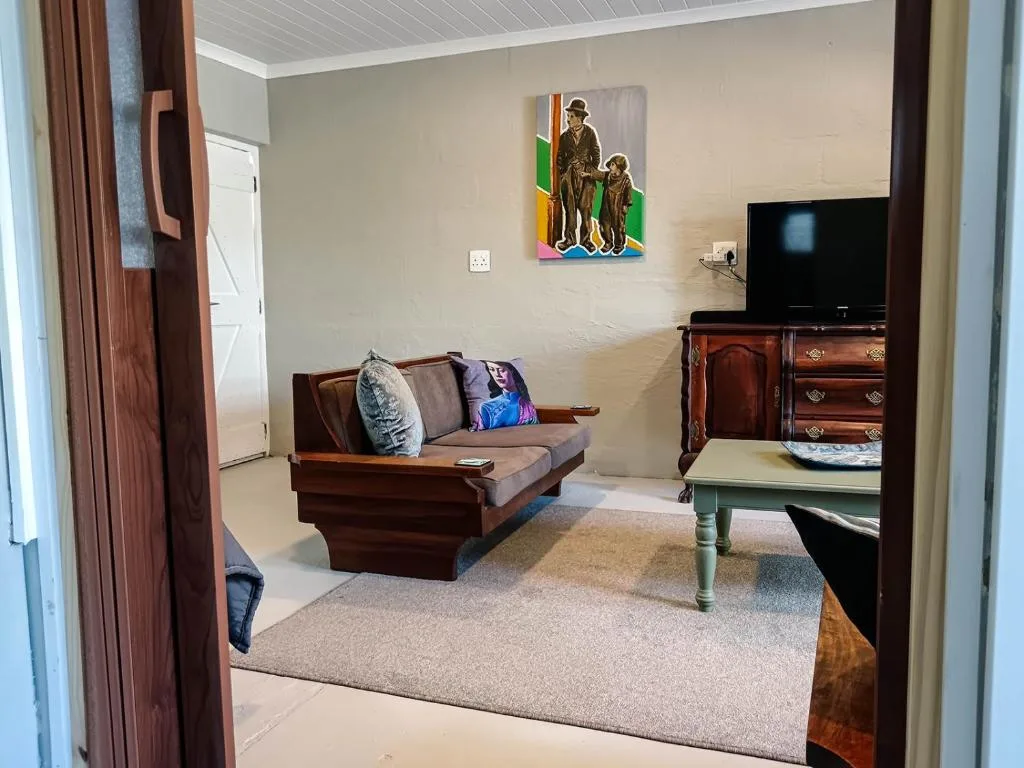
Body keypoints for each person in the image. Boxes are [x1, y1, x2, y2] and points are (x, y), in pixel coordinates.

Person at [556, 98, 602, 252]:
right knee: (569, 209)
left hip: (586, 175)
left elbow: (596, 153)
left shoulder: (590, 132)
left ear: (580, 118)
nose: (568, 120)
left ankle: (586, 240)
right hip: (569, 175)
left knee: (586, 208)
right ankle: (569, 239)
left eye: (571, 116)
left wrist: (590, 171)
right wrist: (564, 173)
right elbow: (560, 157)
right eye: (568, 116)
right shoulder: (564, 136)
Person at [587, 153, 635, 255]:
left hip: (617, 207)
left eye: (613, 165)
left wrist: (626, 205)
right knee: (604, 225)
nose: (610, 167)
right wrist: (588, 174)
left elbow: (628, 194)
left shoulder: (625, 180)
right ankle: (608, 243)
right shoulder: (608, 175)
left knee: (618, 227)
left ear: (619, 167)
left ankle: (619, 245)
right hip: (606, 205)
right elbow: (599, 175)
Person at [474, 361, 538, 431]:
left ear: (513, 372)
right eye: (492, 369)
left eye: (502, 370)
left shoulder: (527, 405)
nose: (497, 375)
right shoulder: (487, 407)